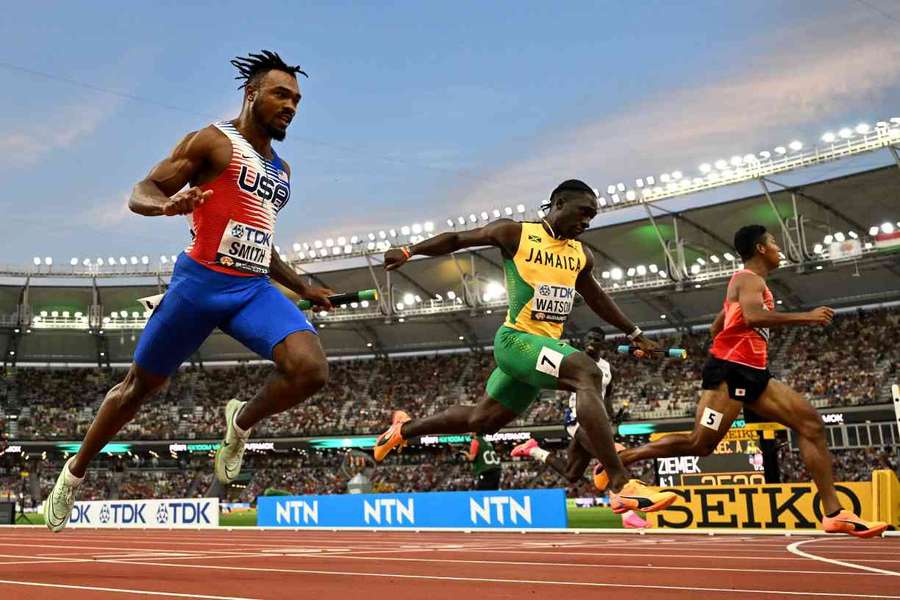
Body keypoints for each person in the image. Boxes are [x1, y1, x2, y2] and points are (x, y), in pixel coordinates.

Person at [43, 50, 334, 533]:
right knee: (138, 388)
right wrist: (165, 205)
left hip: (252, 289)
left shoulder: (282, 169)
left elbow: (260, 239)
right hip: (199, 286)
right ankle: (73, 474)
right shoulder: (214, 142)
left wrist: (301, 284)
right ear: (252, 93)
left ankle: (240, 423)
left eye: (298, 100)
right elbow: (143, 188)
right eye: (282, 94)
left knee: (311, 370)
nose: (292, 107)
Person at [374, 179, 677, 514]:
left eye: (592, 216)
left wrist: (634, 333)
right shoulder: (516, 234)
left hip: (541, 348)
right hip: (515, 341)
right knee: (586, 373)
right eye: (583, 212)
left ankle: (404, 429)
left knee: (482, 421)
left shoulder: (580, 254)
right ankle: (621, 484)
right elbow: (458, 239)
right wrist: (410, 251)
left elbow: (596, 298)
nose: (587, 222)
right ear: (559, 203)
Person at [602, 225, 887, 538]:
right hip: (731, 372)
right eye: (774, 243)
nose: (779, 248)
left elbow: (719, 325)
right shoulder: (747, 279)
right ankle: (617, 460)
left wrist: (732, 341)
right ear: (761, 248)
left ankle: (835, 514)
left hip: (753, 373)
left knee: (811, 425)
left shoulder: (748, 282)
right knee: (701, 443)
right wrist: (807, 317)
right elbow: (752, 317)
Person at [510, 327, 650, 528]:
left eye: (596, 339)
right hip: (577, 418)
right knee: (611, 459)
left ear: (603, 343)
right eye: (589, 337)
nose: (591, 341)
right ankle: (627, 516)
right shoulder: (573, 362)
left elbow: (606, 399)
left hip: (597, 421)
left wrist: (612, 418)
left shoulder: (609, 370)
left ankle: (533, 449)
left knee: (572, 474)